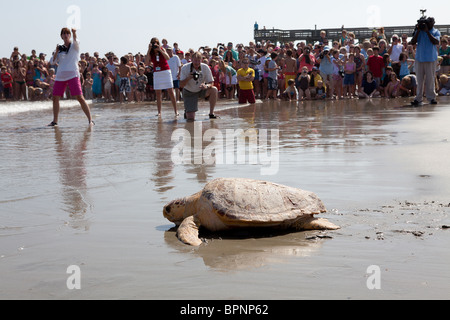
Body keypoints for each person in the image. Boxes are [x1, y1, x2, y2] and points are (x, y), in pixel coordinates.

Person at [48, 28, 94, 127]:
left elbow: (76, 40)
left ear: (69, 35)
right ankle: (55, 121)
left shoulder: (74, 46)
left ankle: (90, 120)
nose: (65, 35)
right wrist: (56, 51)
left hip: (73, 75)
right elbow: (52, 62)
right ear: (61, 36)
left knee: (80, 97)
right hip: (60, 76)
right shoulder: (59, 49)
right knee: (55, 98)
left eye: (67, 33)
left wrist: (74, 33)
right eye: (63, 33)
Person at [410, 17, 441, 106]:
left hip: (431, 58)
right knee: (419, 80)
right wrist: (418, 30)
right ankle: (418, 98)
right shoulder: (420, 31)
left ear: (433, 23)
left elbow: (436, 42)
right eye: (428, 22)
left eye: (430, 22)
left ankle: (431, 98)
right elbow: (413, 41)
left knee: (430, 79)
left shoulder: (436, 31)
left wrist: (427, 31)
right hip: (419, 58)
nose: (429, 23)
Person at [179, 51, 218, 121]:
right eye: (195, 61)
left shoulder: (205, 67)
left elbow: (211, 82)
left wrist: (206, 86)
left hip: (201, 90)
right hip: (189, 92)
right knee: (191, 118)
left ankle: (211, 113)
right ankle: (188, 110)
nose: (197, 63)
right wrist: (188, 78)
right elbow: (181, 85)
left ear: (201, 60)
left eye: (198, 61)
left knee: (214, 89)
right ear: (191, 60)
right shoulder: (185, 68)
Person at [145, 37, 179, 117]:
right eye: (153, 43)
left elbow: (168, 58)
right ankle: (159, 112)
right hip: (157, 73)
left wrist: (160, 49)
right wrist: (149, 49)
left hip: (165, 71)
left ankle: (176, 111)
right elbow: (146, 63)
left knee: (170, 91)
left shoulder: (162, 49)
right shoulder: (151, 52)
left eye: (156, 43)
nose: (155, 45)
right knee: (158, 93)